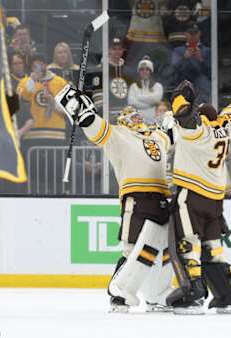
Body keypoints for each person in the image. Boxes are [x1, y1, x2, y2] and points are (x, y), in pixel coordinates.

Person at [55, 87, 174, 313]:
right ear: (123, 120)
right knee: (132, 249)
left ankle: (157, 295)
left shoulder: (156, 136)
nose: (136, 117)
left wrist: (175, 116)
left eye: (138, 114)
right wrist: (83, 111)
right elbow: (94, 126)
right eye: (130, 115)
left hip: (162, 198)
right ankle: (118, 295)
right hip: (136, 198)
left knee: (162, 251)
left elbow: (172, 134)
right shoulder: (118, 134)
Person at [162, 80, 231, 315]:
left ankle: (192, 292)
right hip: (215, 201)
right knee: (213, 247)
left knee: (188, 243)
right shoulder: (224, 127)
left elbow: (184, 115)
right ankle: (227, 294)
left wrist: (179, 96)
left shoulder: (199, 131)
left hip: (192, 195)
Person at [16, 54, 68, 194]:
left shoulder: (61, 82)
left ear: (46, 64)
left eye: (41, 64)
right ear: (31, 68)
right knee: (32, 179)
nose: (39, 68)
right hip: (32, 137)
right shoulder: (25, 82)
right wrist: (32, 81)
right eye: (35, 66)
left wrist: (52, 101)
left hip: (56, 137)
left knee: (56, 178)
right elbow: (23, 99)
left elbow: (70, 109)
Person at [171, 23, 211, 104]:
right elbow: (173, 71)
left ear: (199, 33)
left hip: (202, 90)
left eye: (195, 33)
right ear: (186, 34)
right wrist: (184, 58)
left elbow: (211, 74)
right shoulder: (178, 51)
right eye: (190, 33)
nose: (193, 36)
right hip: (183, 88)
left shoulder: (207, 51)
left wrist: (201, 60)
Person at [127, 56, 164, 124]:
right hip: (137, 121)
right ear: (139, 72)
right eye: (142, 69)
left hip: (153, 121)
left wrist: (139, 97)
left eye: (147, 69)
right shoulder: (133, 86)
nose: (144, 72)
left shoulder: (158, 86)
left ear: (151, 71)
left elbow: (156, 100)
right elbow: (131, 102)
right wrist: (150, 104)